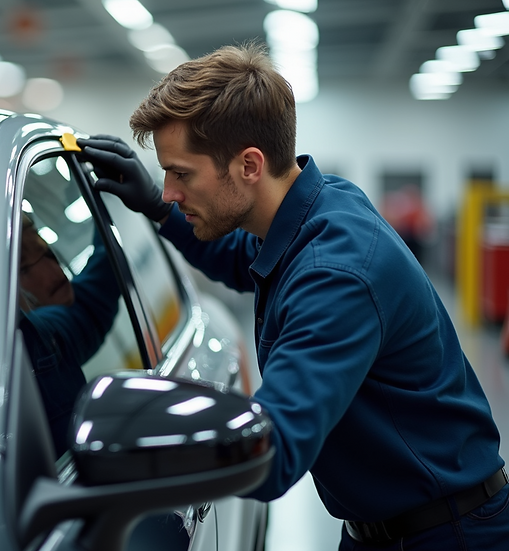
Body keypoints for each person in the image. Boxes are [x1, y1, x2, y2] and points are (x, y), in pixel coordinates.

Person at [77, 43, 508, 550]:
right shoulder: (318, 208)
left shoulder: (337, 275)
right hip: (394, 527)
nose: (170, 190)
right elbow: (242, 257)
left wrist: (143, 434)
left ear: (250, 165)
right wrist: (155, 207)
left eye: (182, 174)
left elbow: (273, 450)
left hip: (448, 537)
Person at [17, 213, 120, 457]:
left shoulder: (53, 340)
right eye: (22, 269)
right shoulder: (39, 342)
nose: (53, 272)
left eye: (45, 251)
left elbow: (98, 288)